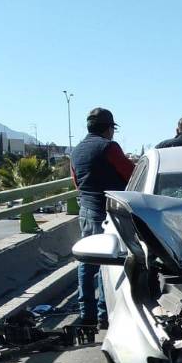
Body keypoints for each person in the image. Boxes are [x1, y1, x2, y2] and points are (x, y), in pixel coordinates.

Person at [70, 108, 133, 328]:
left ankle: (86, 312)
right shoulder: (109, 147)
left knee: (87, 262)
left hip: (86, 211)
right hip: (107, 214)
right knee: (108, 263)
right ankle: (103, 314)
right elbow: (131, 175)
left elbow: (76, 182)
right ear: (108, 129)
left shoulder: (77, 150)